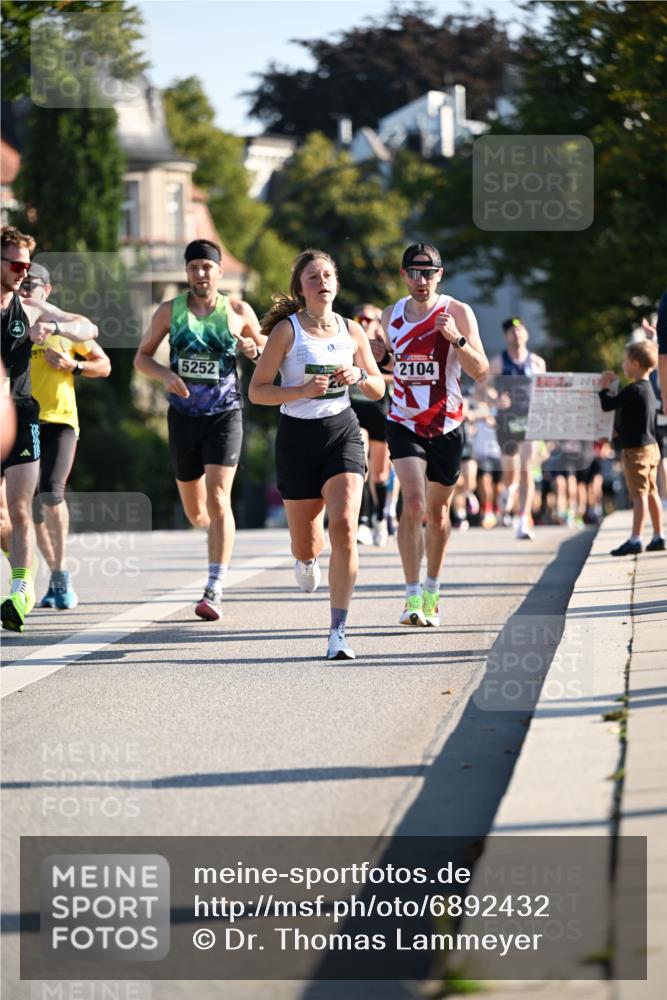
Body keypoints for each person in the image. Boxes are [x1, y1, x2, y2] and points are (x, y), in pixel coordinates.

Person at [248, 249, 384, 660]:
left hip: (341, 432)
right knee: (307, 544)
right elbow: (258, 391)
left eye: (328, 274)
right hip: (296, 439)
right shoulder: (287, 333)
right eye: (313, 277)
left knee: (343, 526)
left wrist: (360, 374)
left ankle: (338, 631)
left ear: (336, 283)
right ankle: (305, 561)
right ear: (300, 289)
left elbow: (378, 388)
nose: (322, 281)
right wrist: (301, 391)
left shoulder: (351, 332)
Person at [134, 239, 264, 621]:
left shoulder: (238, 310)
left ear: (219, 272)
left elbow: (269, 351)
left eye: (207, 267)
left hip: (225, 415)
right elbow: (142, 358)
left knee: (219, 496)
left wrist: (253, 351)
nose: (200, 274)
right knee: (197, 512)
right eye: (194, 267)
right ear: (187, 272)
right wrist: (165, 373)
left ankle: (214, 586)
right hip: (183, 417)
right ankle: (213, 534)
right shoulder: (168, 312)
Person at [373, 242, 488, 627]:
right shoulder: (391, 315)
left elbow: (481, 369)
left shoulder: (457, 311)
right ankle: (410, 597)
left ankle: (433, 590)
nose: (422, 281)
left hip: (447, 423)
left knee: (438, 513)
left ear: (440, 274)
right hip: (403, 420)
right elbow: (396, 365)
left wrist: (457, 339)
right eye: (414, 273)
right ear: (404, 275)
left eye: (429, 273)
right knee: (414, 503)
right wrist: (379, 359)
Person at [1, 226, 98, 632]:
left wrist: (56, 329)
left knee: (26, 507)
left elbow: (87, 328)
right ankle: (25, 570)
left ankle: (21, 591)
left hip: (24, 416)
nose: (24, 272)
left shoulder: (32, 309)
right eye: (17, 263)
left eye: (27, 263)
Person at [16, 262, 111, 609]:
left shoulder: (64, 327)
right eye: (22, 284)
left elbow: (105, 365)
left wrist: (74, 366)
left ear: (48, 290)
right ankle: (55, 574)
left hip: (59, 421)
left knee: (51, 494)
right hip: (22, 421)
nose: (26, 290)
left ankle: (61, 574)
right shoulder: (12, 326)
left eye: (33, 285)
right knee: (30, 507)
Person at [599, 339, 664, 555]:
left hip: (636, 451)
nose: (622, 364)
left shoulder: (633, 389)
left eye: (625, 361)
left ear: (635, 364)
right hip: (651, 447)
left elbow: (608, 404)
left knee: (638, 495)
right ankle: (658, 535)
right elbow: (639, 420)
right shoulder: (649, 391)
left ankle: (636, 538)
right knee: (652, 491)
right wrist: (620, 431)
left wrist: (604, 388)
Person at [487, 317, 546, 540]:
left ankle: (523, 520)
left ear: (527, 334)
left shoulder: (538, 363)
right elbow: (482, 390)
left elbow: (545, 393)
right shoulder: (498, 363)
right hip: (506, 422)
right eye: (512, 332)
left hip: (530, 419)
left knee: (527, 470)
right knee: (511, 473)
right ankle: (508, 489)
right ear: (506, 337)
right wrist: (495, 400)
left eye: (520, 330)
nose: (517, 334)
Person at [349, 303, 393, 547]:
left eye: (368, 318)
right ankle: (363, 521)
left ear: (378, 322)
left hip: (379, 411)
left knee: (380, 472)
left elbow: (396, 373)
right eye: (359, 318)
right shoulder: (350, 341)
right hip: (355, 410)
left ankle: (380, 516)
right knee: (361, 465)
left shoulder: (382, 346)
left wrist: (367, 376)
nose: (363, 322)